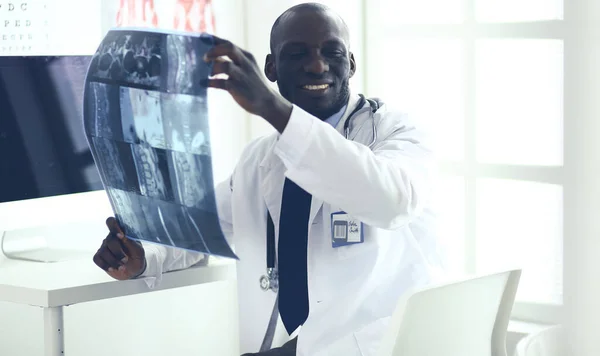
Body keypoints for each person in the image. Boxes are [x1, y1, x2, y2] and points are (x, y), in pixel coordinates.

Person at [93, 3, 443, 355]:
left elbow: (393, 201)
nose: (317, 65)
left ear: (351, 63)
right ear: (271, 68)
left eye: (332, 52)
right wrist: (139, 254)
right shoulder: (260, 161)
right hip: (296, 345)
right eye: (297, 53)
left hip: (384, 345)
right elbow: (200, 230)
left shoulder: (395, 131)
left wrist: (273, 108)